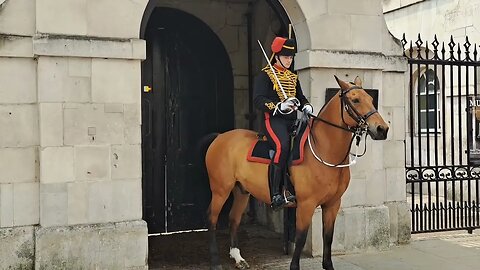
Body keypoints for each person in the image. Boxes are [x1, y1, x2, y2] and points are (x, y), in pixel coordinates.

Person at [253, 37, 313, 211]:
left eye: (291, 57)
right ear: (276, 56)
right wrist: (278, 106)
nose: (289, 60)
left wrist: (306, 105)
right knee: (283, 146)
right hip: (274, 120)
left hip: (293, 120)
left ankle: (294, 186)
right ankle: (276, 194)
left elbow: (300, 98)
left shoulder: (293, 77)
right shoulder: (266, 75)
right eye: (286, 56)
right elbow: (258, 100)